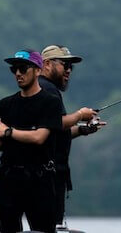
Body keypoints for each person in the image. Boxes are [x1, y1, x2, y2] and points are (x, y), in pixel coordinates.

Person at [0, 49, 63, 233]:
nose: (18, 73)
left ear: (38, 70)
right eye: (14, 69)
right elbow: (0, 143)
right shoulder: (6, 103)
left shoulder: (50, 102)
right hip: (8, 179)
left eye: (23, 68)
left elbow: (39, 137)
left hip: (40, 180)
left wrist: (9, 132)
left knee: (42, 230)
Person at [39, 44, 106, 229]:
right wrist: (79, 115)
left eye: (71, 67)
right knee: (50, 227)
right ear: (46, 64)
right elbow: (56, 123)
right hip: (48, 177)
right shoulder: (48, 90)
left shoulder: (43, 89)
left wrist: (83, 129)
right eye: (64, 64)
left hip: (46, 176)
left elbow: (53, 132)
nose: (68, 70)